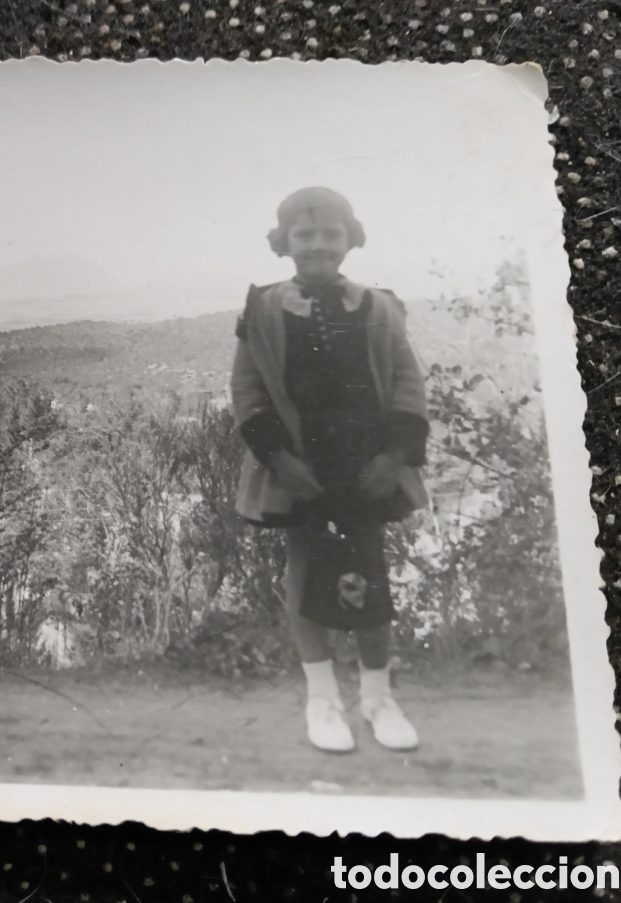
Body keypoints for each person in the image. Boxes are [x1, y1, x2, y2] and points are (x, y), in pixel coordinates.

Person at [230, 186, 430, 753]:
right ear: (284, 242)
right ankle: (322, 698)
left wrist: (394, 457)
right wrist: (281, 460)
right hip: (300, 467)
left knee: (370, 569)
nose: (318, 245)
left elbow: (406, 383)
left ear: (350, 240)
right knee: (303, 569)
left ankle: (377, 697)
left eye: (330, 234)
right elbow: (247, 390)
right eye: (305, 234)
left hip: (366, 463)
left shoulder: (379, 306)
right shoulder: (263, 308)